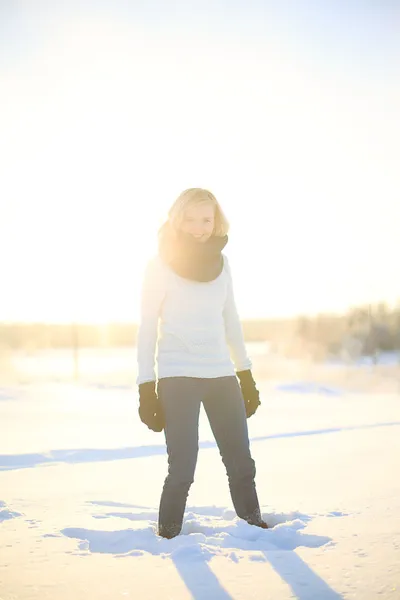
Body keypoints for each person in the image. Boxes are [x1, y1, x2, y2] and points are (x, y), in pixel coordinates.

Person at [136, 188, 267, 539]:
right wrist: (146, 386)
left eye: (206, 219)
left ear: (216, 220)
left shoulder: (223, 265)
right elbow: (147, 327)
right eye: (191, 219)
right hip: (178, 375)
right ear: (178, 219)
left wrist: (246, 373)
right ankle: (168, 536)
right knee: (182, 466)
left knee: (242, 463)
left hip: (221, 374)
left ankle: (254, 528)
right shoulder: (159, 265)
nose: (199, 227)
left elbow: (231, 321)